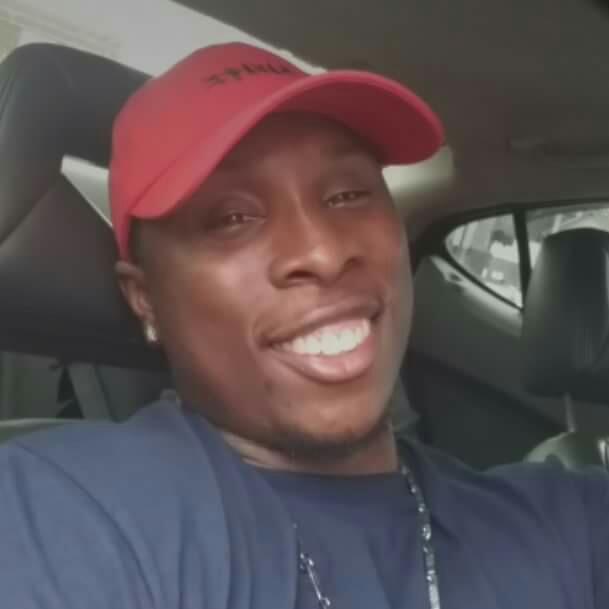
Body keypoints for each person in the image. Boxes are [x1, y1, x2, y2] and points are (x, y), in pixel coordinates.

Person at [0, 41, 607, 609]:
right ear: (145, 301)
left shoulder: (564, 521)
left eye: (347, 195)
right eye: (232, 217)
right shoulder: (68, 514)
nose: (322, 251)